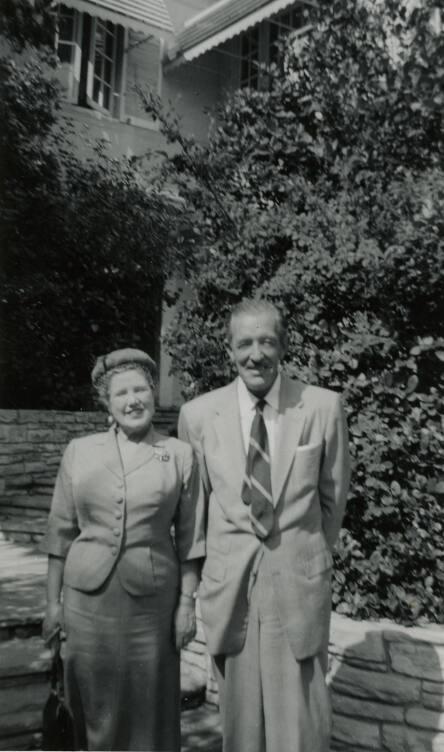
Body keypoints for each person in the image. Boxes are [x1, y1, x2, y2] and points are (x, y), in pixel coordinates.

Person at [178, 299, 351, 752]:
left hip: (297, 580)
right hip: (230, 585)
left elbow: (333, 500)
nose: (256, 354)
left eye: (267, 341)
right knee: (240, 722)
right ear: (230, 349)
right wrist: (190, 590)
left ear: (284, 345)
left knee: (301, 722)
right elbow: (195, 515)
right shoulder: (198, 415)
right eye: (245, 343)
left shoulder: (322, 407)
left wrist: (305, 551)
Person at [42, 348, 205, 752]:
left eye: (140, 390)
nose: (132, 400)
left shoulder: (179, 455)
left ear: (153, 393)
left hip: (152, 605)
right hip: (86, 603)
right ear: (107, 403)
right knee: (91, 701)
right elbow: (59, 533)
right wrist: (51, 603)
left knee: (150, 703)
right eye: (121, 394)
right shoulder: (79, 451)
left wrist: (187, 605)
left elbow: (192, 539)